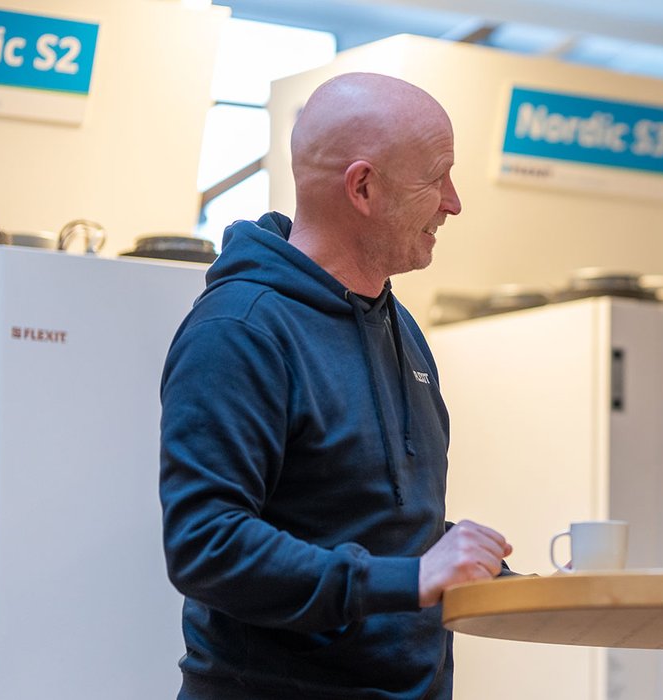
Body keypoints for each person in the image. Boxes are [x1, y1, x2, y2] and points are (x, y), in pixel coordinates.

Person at [159, 72, 512, 699]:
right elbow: (206, 545)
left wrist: (527, 587)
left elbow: (382, 527)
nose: (453, 203)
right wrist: (411, 579)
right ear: (363, 187)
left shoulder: (397, 324)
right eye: (436, 178)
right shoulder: (240, 330)